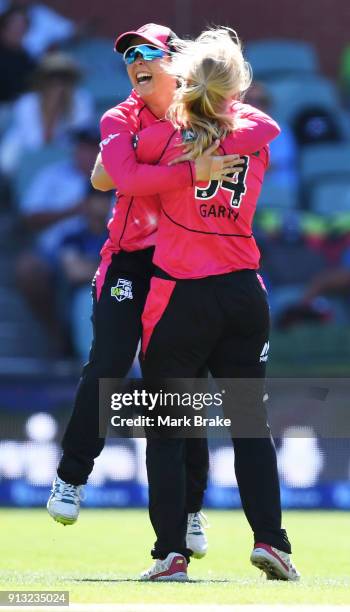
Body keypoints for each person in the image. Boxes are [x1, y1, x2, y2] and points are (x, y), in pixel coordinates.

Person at [47, 23, 243, 559]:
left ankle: (190, 509)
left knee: (179, 384)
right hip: (129, 261)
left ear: (173, 61)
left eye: (145, 52)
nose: (134, 61)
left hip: (184, 263)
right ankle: (72, 475)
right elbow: (113, 180)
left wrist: (156, 156)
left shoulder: (198, 111)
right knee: (108, 362)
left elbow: (248, 129)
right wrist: (188, 167)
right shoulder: (119, 116)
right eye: (127, 54)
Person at [122, 27, 300, 581]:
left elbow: (119, 175)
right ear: (237, 85)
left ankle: (170, 553)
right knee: (250, 423)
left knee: (168, 429)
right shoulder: (255, 134)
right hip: (244, 292)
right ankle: (272, 542)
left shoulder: (165, 138)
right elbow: (263, 121)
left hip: (179, 294)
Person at [16, 127, 100, 354]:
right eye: (84, 147)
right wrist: (74, 211)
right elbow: (29, 218)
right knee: (28, 269)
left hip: (102, 250)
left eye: (94, 147)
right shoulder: (53, 175)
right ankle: (58, 334)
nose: (88, 153)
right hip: (54, 252)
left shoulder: (117, 176)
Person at [0, 51, 94, 175]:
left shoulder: (81, 100)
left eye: (64, 78)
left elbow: (79, 139)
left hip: (65, 159)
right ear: (42, 80)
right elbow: (36, 145)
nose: (58, 84)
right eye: (52, 77)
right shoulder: (27, 102)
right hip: (25, 155)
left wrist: (64, 107)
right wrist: (51, 110)